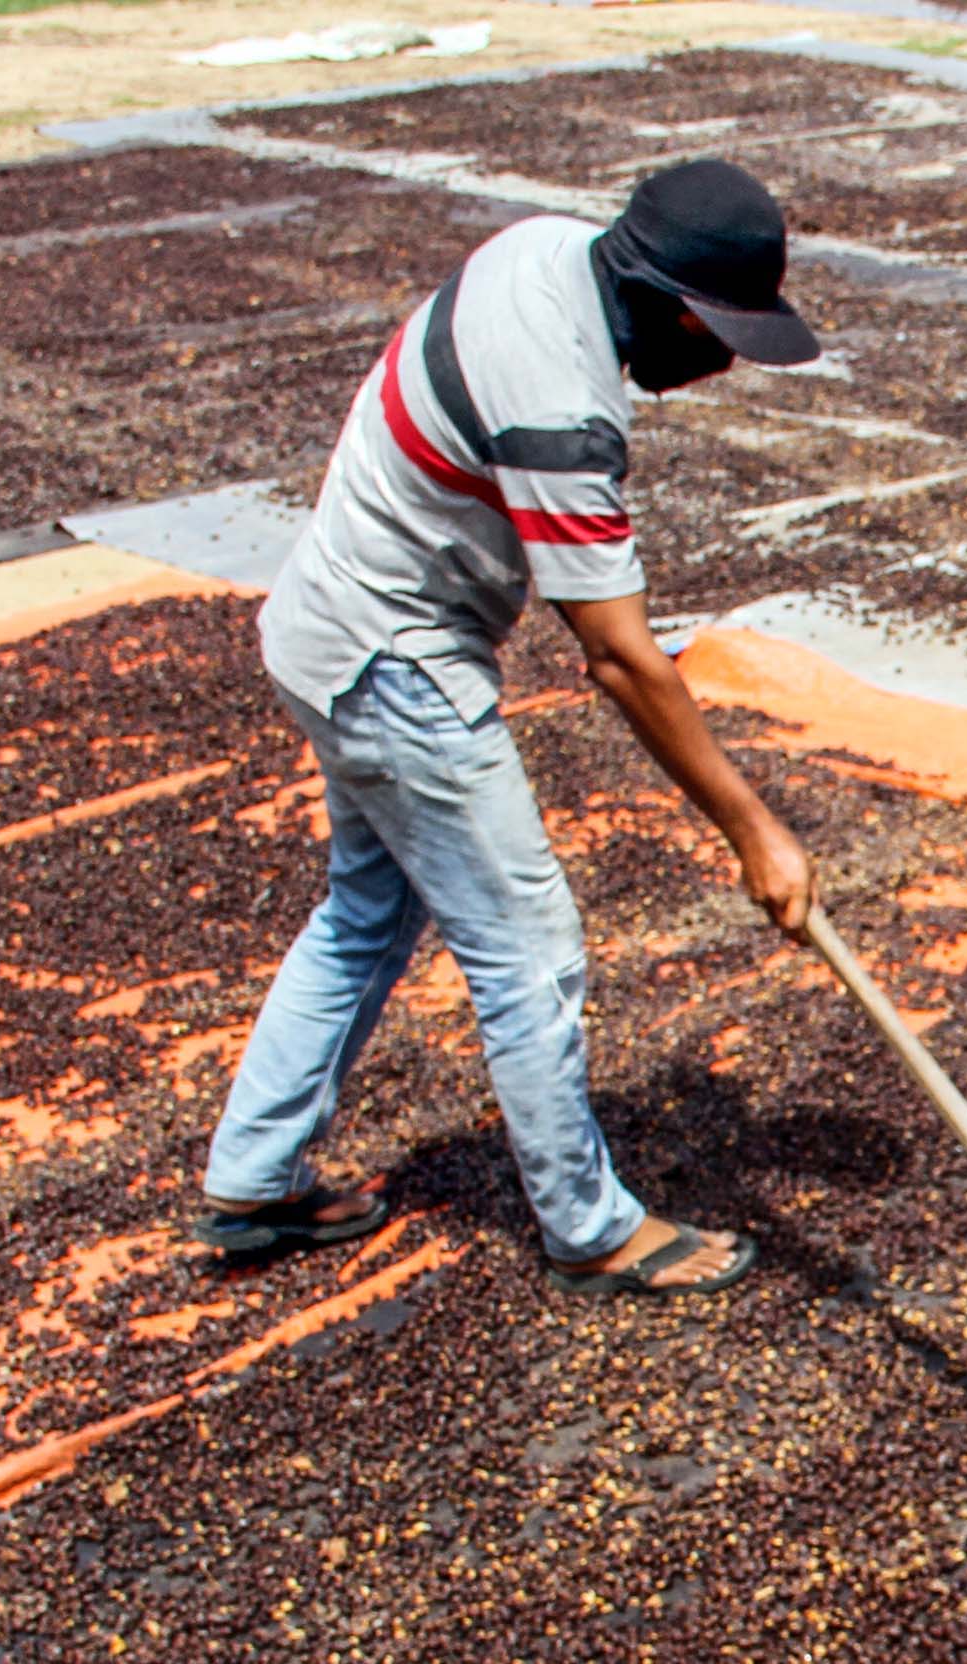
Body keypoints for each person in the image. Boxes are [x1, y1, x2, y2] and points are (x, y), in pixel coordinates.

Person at [192, 160, 823, 1297]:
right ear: (669, 305)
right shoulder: (562, 411)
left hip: (322, 619)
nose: (726, 361)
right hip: (394, 661)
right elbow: (622, 659)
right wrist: (753, 828)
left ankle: (252, 1175)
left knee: (366, 912)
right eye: (721, 332)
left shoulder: (546, 249)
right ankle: (590, 1227)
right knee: (527, 949)